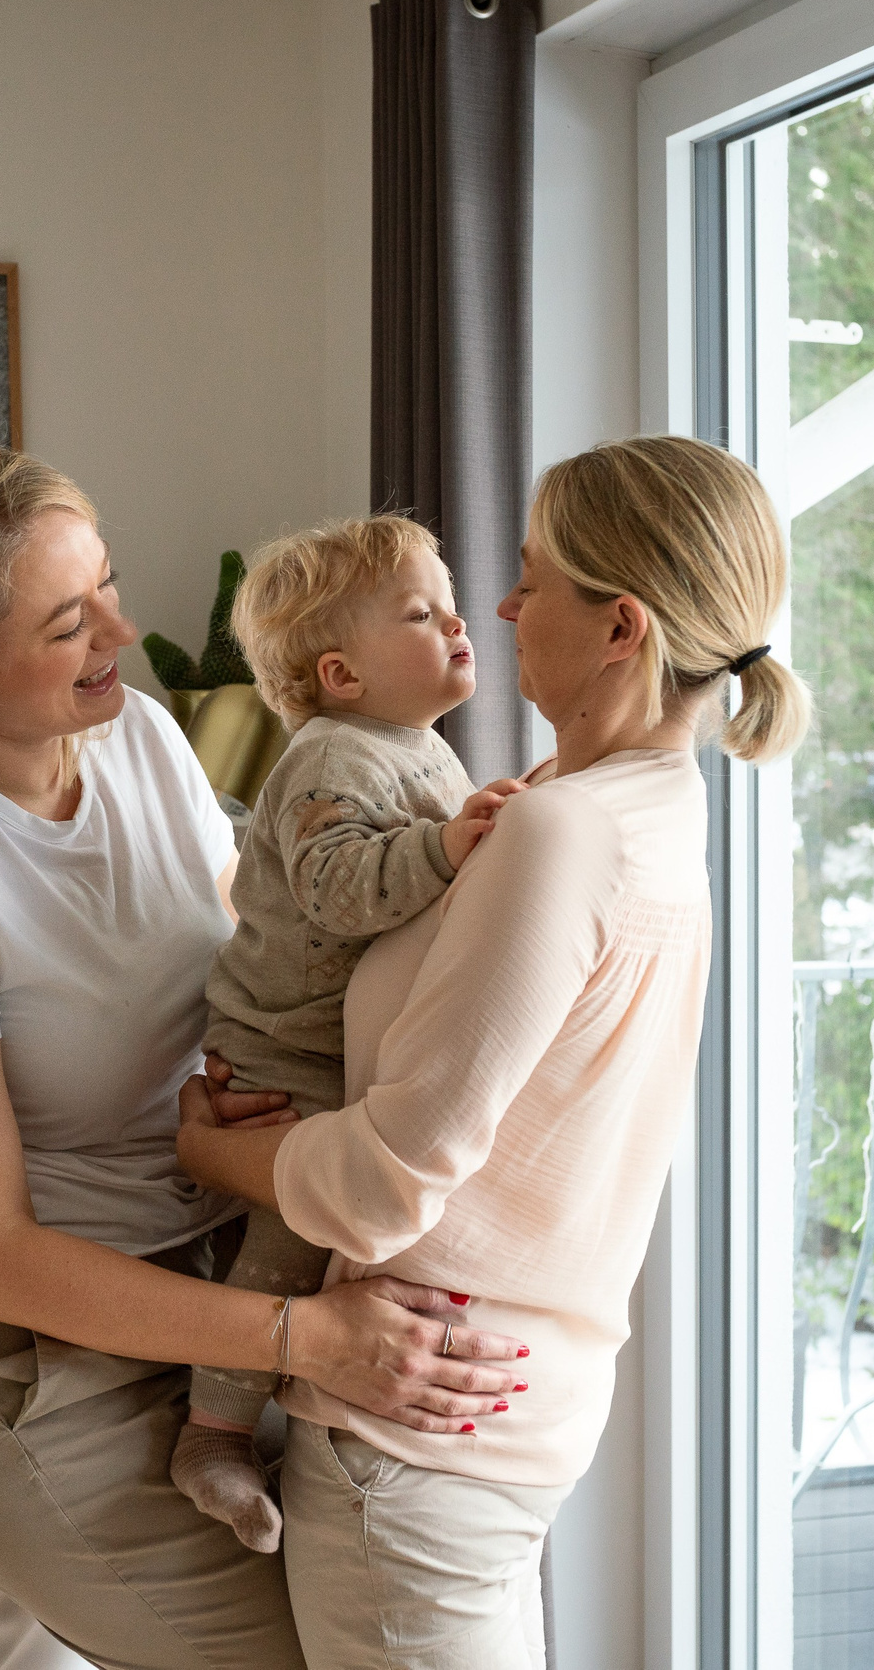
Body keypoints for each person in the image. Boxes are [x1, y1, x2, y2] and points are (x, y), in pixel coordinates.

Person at [0, 437, 529, 1670]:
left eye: (108, 587)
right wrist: (305, 1341)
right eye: (70, 622)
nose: (123, 634)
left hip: (207, 1292)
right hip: (12, 1367)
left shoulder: (135, 740)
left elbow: (255, 953)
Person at [179, 434, 810, 1670]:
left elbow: (377, 1188)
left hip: (415, 1435)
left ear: (621, 626)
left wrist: (207, 1147)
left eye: (531, 580)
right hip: (505, 1409)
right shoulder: (642, 811)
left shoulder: (559, 832)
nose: (506, 607)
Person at [171, 516, 521, 1552]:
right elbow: (335, 890)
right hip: (283, 1051)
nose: (458, 620)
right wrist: (448, 845)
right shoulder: (331, 759)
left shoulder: (414, 745)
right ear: (341, 673)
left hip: (335, 1047)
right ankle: (213, 1435)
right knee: (287, 1243)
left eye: (446, 600)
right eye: (420, 613)